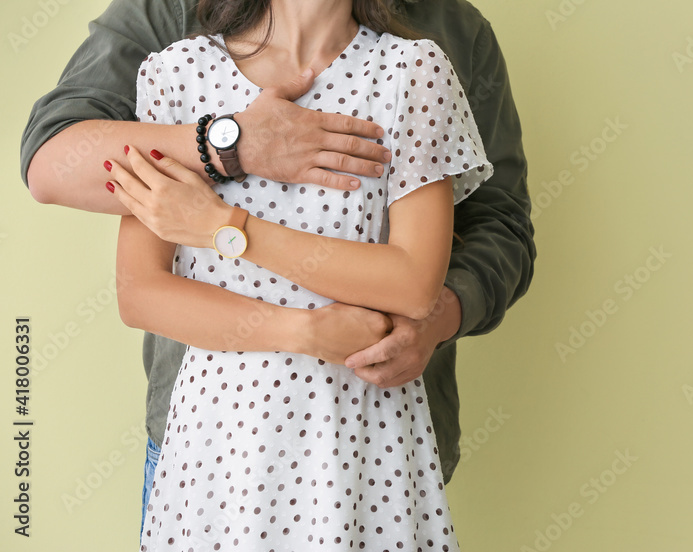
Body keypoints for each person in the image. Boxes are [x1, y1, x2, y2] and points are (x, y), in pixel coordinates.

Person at [20, 0, 533, 535]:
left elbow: (430, 271)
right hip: (212, 450)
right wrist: (234, 145)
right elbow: (139, 288)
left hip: (364, 442)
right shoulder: (175, 71)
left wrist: (222, 225)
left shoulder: (420, 66)